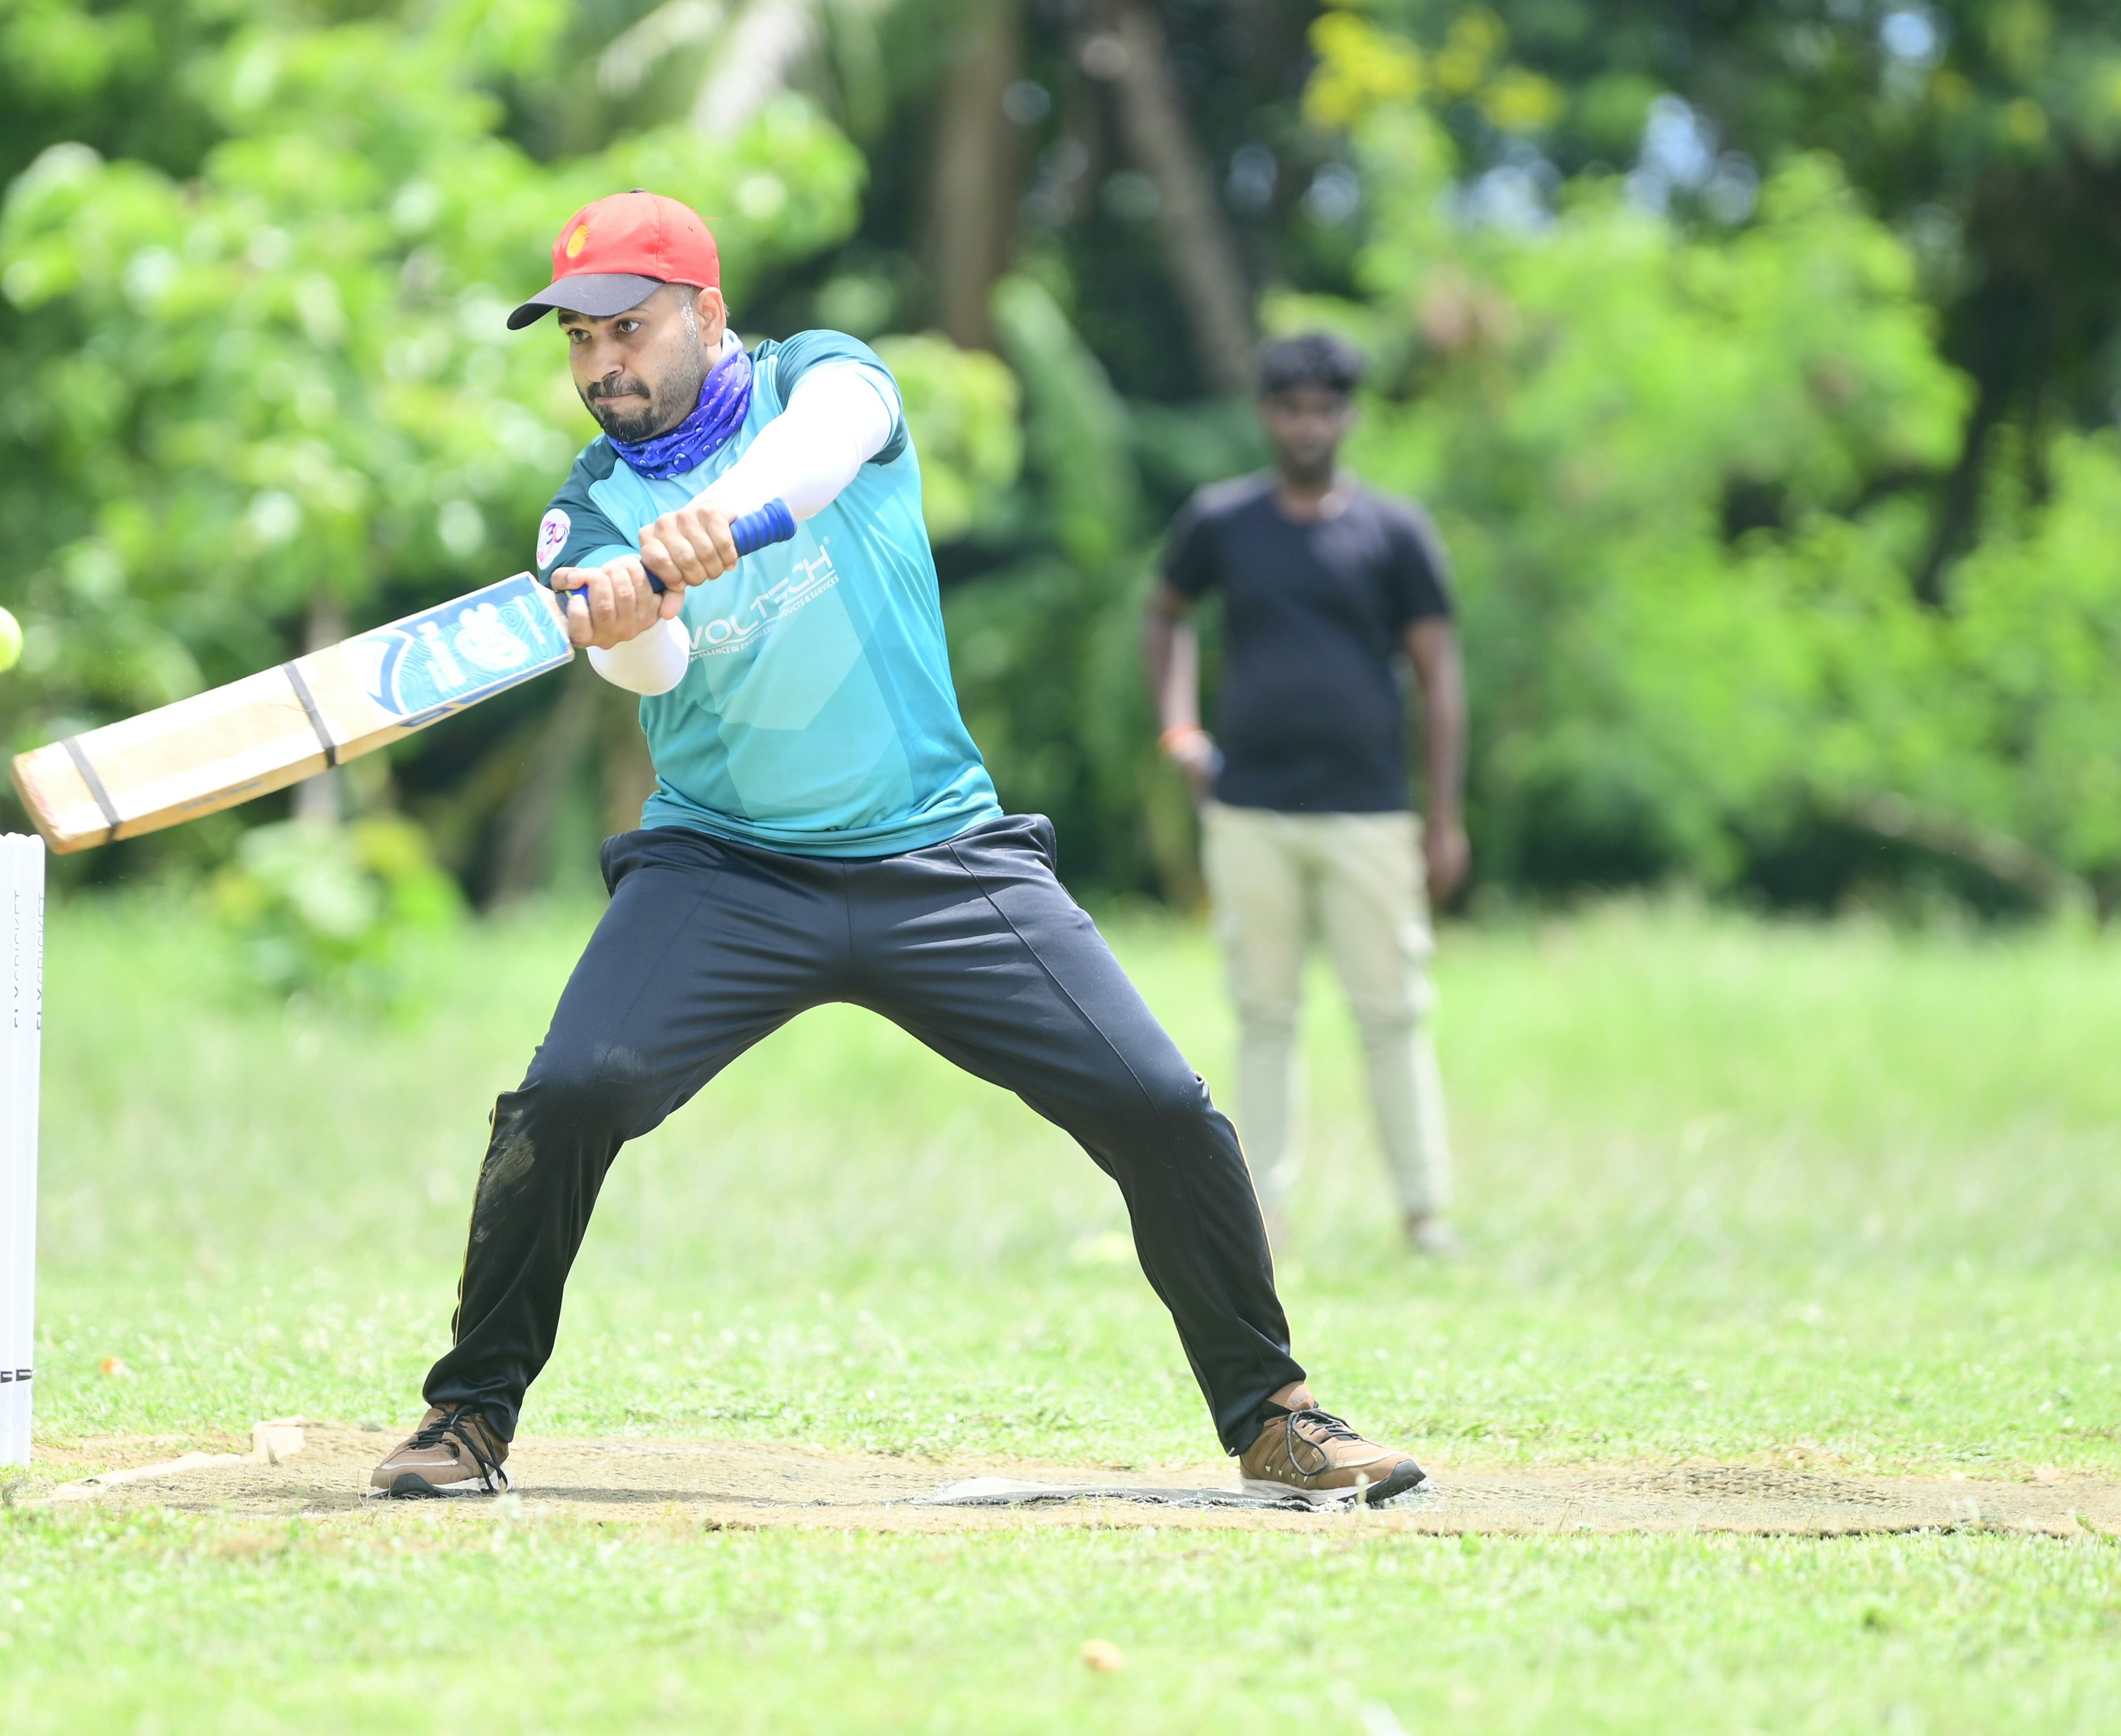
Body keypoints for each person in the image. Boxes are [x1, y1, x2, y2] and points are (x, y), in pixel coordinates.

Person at [371, 193, 1425, 1507]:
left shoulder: (825, 375)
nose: (602, 368)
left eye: (626, 331)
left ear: (707, 314)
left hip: (941, 856)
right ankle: (468, 1415)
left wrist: (720, 529)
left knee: (1160, 1107)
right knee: (569, 1097)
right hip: (727, 870)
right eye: (578, 344)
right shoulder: (585, 510)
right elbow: (657, 660)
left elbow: (824, 452)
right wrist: (628, 607)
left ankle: (1275, 1416)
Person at [1144, 332, 1467, 1257]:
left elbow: (1439, 676)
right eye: (1291, 407)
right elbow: (1166, 615)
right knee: (1265, 1013)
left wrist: (1444, 817)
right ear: (1267, 413)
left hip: (1371, 811)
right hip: (1250, 809)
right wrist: (1181, 730)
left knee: (1392, 1011)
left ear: (1349, 415)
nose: (1308, 425)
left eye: (1325, 408)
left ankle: (1424, 1212)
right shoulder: (1223, 521)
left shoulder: (1395, 532)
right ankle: (1267, 1212)